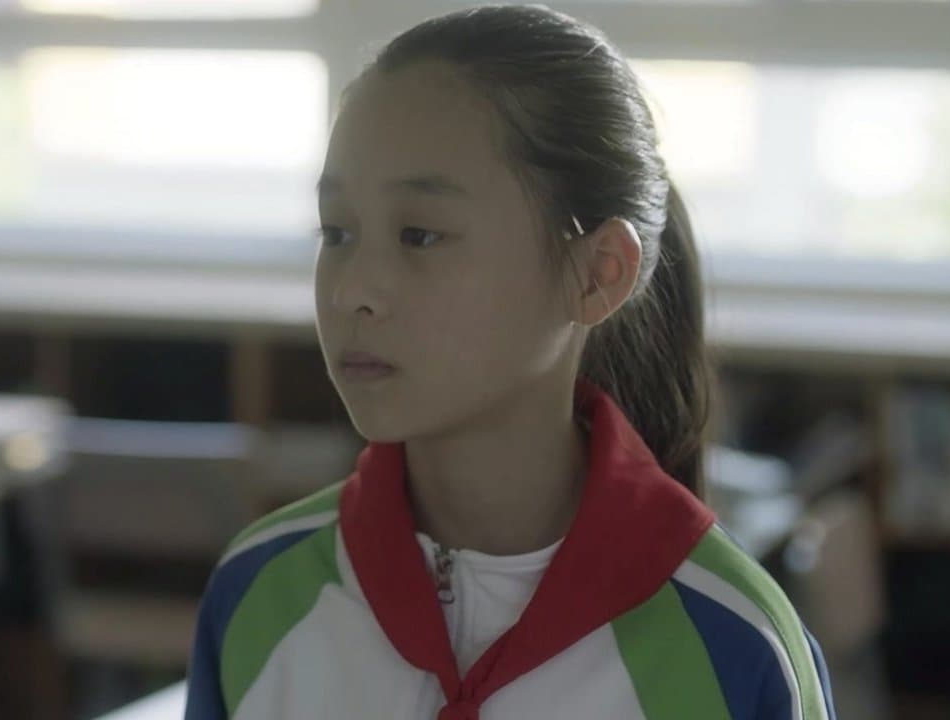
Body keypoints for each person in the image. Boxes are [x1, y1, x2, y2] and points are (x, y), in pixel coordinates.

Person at [184, 5, 835, 718]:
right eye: (336, 232)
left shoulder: (733, 645)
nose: (351, 291)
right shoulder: (258, 595)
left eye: (419, 235)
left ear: (597, 274)